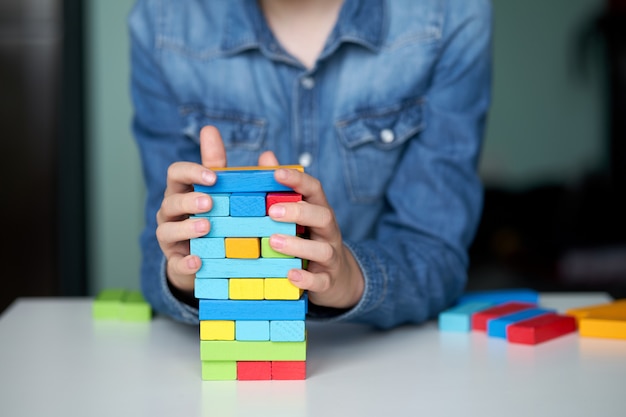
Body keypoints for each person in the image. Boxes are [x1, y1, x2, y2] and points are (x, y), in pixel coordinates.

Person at [128, 0, 493, 329]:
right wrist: (192, 274)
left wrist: (352, 277)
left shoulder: (454, 14)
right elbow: (154, 256)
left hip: (378, 360)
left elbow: (437, 253)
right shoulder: (159, 22)